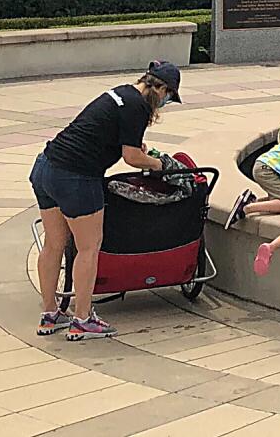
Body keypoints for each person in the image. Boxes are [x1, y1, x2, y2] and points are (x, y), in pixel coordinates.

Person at [30, 61, 183, 341]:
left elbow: (112, 137)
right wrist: (160, 165)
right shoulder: (138, 107)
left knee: (54, 244)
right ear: (160, 88)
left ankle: (50, 313)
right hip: (76, 178)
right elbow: (132, 157)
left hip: (45, 168)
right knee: (88, 248)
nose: (165, 102)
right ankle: (83, 319)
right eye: (168, 96)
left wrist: (138, 150)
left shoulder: (122, 93)